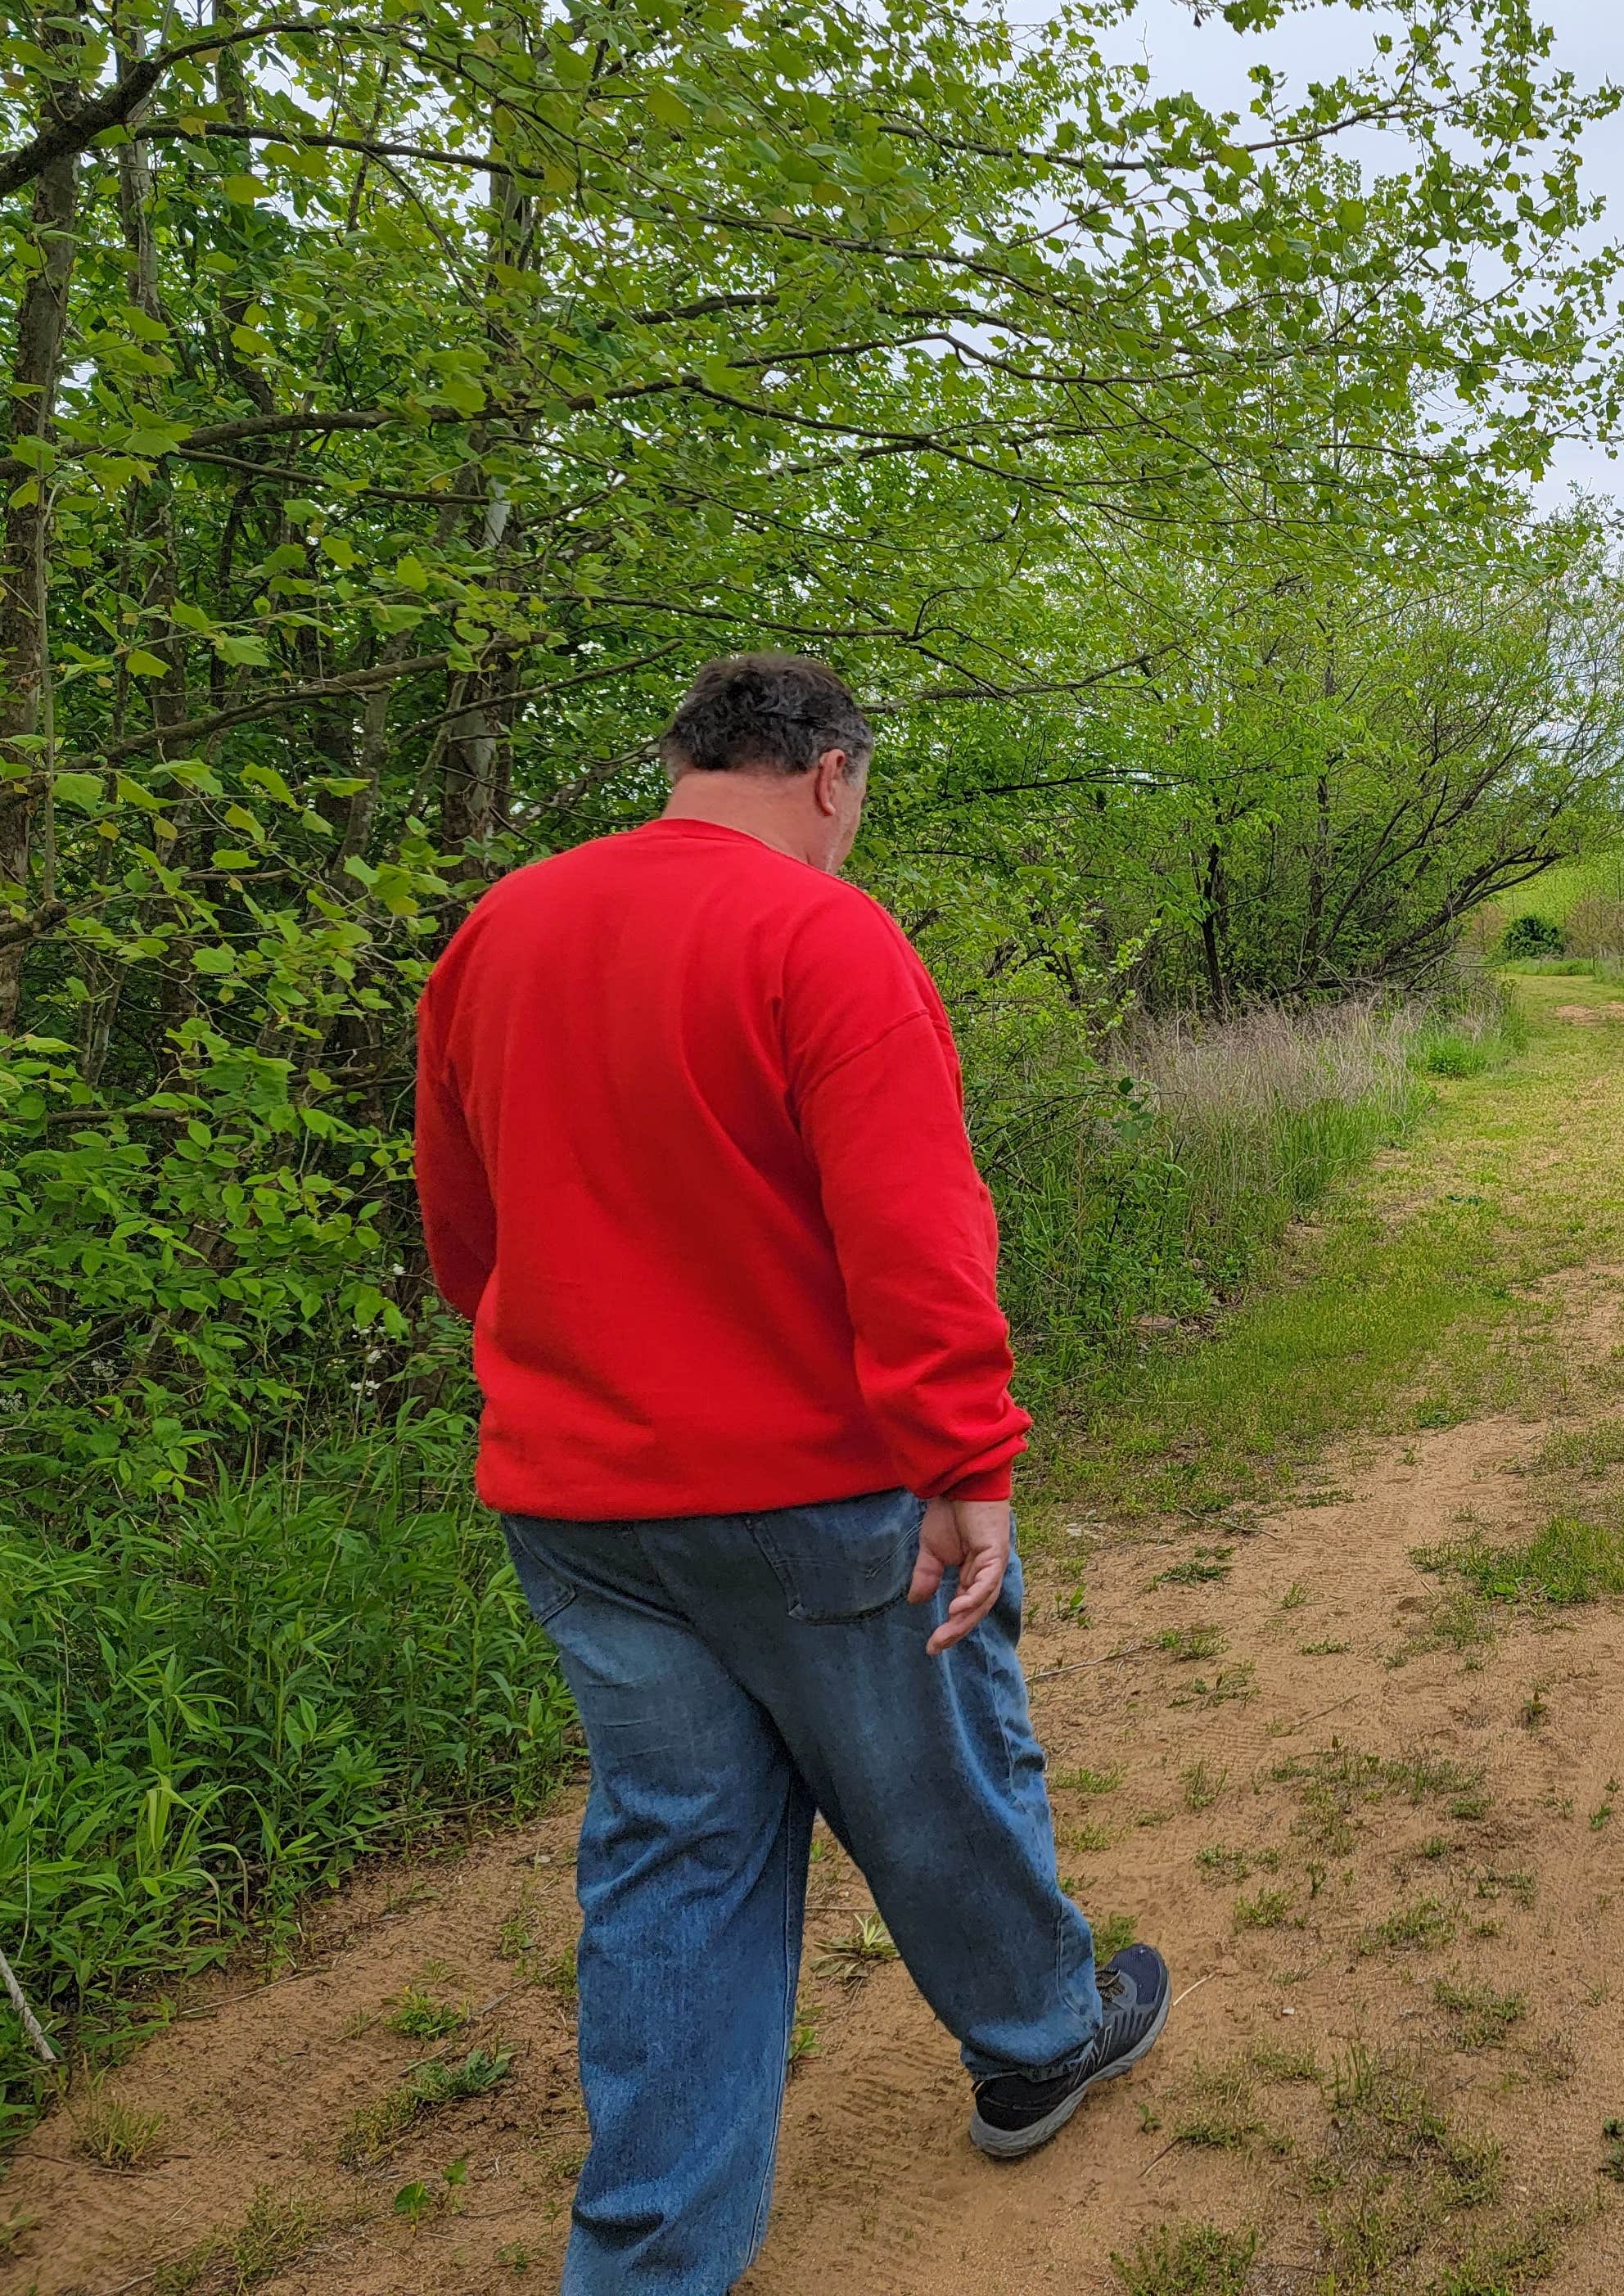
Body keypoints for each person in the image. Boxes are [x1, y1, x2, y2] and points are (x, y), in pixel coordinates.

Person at [413, 652, 1168, 2294]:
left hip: (579, 1501)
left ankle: (653, 2265)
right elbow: (910, 1232)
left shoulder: (502, 931)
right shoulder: (821, 930)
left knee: (675, 1851)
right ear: (832, 775)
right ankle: (1040, 2043)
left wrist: (567, 1378)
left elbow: (463, 1230)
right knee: (935, 1786)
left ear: (684, 762)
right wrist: (966, 1454)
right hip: (818, 1493)